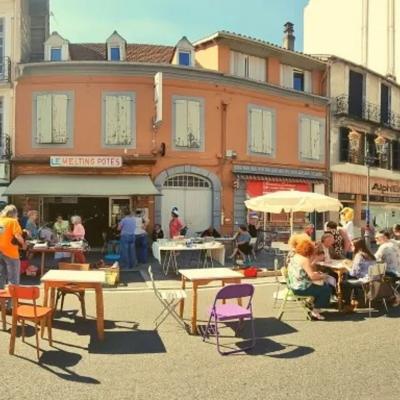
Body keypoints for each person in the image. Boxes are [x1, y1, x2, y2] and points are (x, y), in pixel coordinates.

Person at [287, 234, 331, 320]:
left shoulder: (295, 257)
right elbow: (312, 276)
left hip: (294, 285)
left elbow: (304, 272)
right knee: (326, 289)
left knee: (323, 287)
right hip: (301, 288)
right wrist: (323, 276)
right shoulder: (304, 260)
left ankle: (314, 306)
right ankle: (315, 311)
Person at [342, 238, 376, 307]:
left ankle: (347, 304)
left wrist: (346, 267)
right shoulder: (369, 254)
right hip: (374, 280)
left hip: (365, 281)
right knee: (350, 278)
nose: (350, 247)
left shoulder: (359, 255)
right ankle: (355, 299)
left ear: (356, 246)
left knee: (344, 283)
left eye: (352, 245)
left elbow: (353, 273)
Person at [0, 205, 26, 292]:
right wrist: (24, 244)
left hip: (0, 251)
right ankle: (11, 303)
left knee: (1, 277)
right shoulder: (13, 221)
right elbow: (17, 235)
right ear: (14, 213)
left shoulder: (0, 220)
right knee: (13, 279)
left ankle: (1, 302)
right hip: (10, 252)